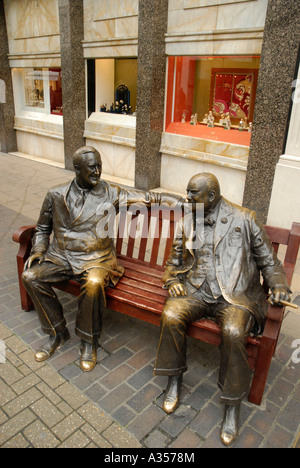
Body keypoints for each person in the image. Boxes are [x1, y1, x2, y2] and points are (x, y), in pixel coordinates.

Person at [153, 173, 291, 446]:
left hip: (234, 296)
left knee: (232, 330)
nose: (188, 198)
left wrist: (278, 287)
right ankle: (174, 380)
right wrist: (171, 280)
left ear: (212, 197)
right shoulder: (188, 220)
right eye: (188, 192)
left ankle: (231, 404)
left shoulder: (245, 218)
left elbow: (270, 262)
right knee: (170, 315)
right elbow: (173, 260)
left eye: (194, 193)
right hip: (195, 290)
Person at [22, 146, 181, 373]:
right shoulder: (55, 194)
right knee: (30, 276)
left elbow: (148, 198)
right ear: (77, 169)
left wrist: (184, 203)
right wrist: (38, 250)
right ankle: (56, 332)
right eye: (91, 168)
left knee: (95, 283)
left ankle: (89, 341)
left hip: (97, 259)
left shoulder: (111, 193)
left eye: (99, 166)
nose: (97, 172)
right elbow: (42, 227)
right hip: (61, 257)